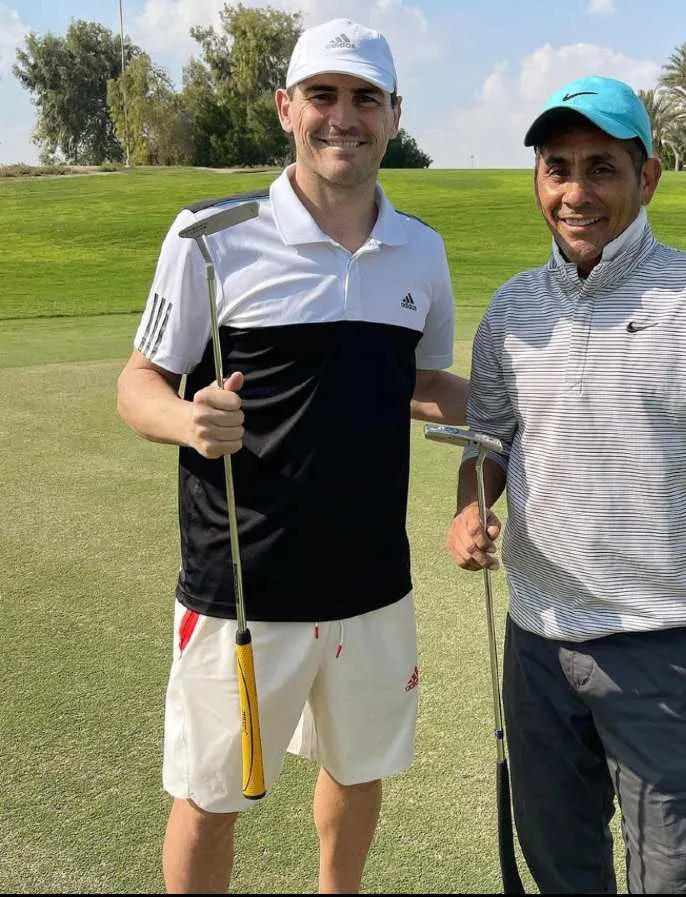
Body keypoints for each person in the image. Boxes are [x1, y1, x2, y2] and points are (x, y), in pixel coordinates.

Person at [116, 17, 468, 894]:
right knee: (210, 797)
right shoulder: (210, 235)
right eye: (322, 96)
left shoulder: (420, 250)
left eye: (363, 99)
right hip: (244, 582)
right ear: (286, 108)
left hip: (372, 583)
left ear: (393, 114)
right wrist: (187, 421)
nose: (341, 118)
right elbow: (138, 381)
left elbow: (420, 384)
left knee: (358, 772)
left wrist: (536, 407)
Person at [444, 75, 686, 894]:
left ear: (648, 177)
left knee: (678, 877)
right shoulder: (510, 310)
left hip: (661, 648)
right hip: (536, 642)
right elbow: (489, 439)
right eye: (557, 167)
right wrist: (471, 506)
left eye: (601, 167)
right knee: (561, 865)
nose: (575, 192)